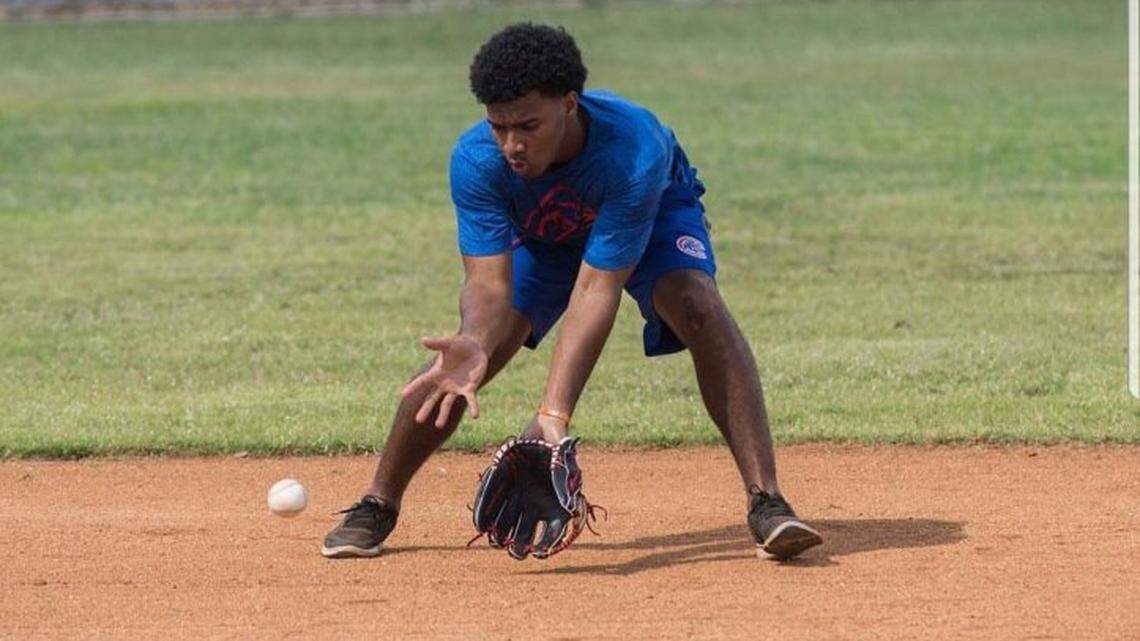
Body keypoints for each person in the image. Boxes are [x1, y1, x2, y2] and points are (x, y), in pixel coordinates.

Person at [320, 22, 822, 561]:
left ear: (569, 104)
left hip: (648, 218)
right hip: (545, 231)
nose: (512, 144)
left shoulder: (632, 150)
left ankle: (766, 500)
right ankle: (378, 502)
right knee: (460, 364)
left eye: (528, 126)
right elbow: (488, 282)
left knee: (696, 303)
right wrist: (475, 338)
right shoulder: (475, 160)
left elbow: (596, 287)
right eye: (499, 126)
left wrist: (553, 414)